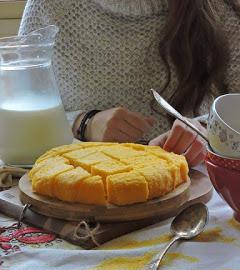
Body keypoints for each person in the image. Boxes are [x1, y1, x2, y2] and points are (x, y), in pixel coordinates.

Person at [19, 0, 240, 166]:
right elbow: (18, 124)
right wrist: (83, 123)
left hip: (190, 195)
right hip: (77, 192)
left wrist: (205, 131)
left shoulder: (216, 10)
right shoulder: (47, 7)